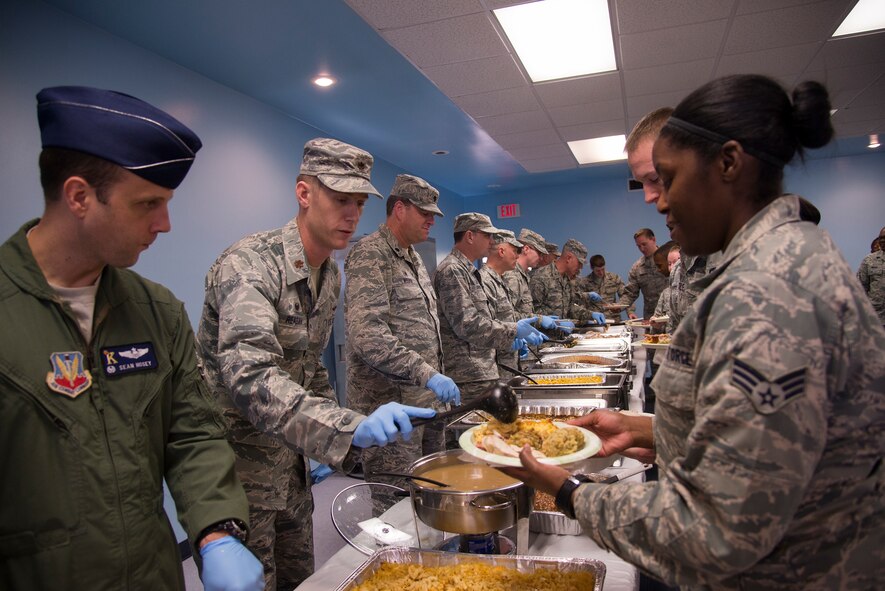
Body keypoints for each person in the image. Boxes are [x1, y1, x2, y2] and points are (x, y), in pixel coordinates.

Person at [505, 74, 885, 590]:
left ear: (728, 163)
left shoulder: (767, 291)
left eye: (669, 178)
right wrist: (653, 432)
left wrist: (569, 490)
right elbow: (773, 449)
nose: (659, 202)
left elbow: (716, 532)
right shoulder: (778, 260)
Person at [0, 85, 263, 590]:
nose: (164, 224)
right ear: (79, 196)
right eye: (147, 204)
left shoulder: (155, 311)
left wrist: (215, 533)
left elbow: (192, 434)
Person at [196, 139, 436, 590]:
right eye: (340, 199)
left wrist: (344, 436)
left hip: (290, 471)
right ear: (304, 193)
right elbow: (251, 378)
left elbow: (310, 367)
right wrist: (344, 427)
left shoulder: (328, 274)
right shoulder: (251, 264)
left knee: (300, 581)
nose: (352, 215)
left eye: (360, 203)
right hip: (239, 476)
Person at [343, 173, 453, 506]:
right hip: (393, 407)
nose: (432, 220)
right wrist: (427, 373)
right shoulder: (370, 254)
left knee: (434, 489)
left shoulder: (413, 257)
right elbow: (368, 335)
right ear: (400, 210)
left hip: (428, 403)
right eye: (425, 212)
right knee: (396, 502)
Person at [434, 213, 548, 407]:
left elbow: (484, 318)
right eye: (487, 235)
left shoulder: (467, 270)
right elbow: (467, 324)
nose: (492, 241)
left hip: (482, 370)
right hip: (468, 374)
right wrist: (512, 331)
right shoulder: (452, 269)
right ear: (470, 236)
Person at [479, 230, 525, 376]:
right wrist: (511, 337)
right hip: (497, 367)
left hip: (508, 364)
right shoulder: (484, 280)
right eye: (514, 251)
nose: (517, 256)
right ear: (501, 251)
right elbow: (485, 325)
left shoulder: (500, 279)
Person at [530, 238, 606, 325]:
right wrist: (556, 323)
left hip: (563, 336)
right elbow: (532, 313)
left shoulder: (566, 279)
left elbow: (570, 308)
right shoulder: (541, 276)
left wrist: (591, 314)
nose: (581, 267)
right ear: (569, 258)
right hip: (544, 337)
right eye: (579, 263)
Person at [619, 228, 669, 320]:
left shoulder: (669, 258)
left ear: (653, 239)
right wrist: (618, 307)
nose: (642, 248)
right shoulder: (637, 267)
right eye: (638, 246)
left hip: (671, 315)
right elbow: (630, 293)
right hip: (652, 318)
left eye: (644, 244)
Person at [502, 228, 547, 317]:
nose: (541, 258)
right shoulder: (512, 276)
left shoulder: (523, 275)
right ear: (526, 249)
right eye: (539, 253)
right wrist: (538, 320)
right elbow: (507, 316)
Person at [577, 254, 629, 320]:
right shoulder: (585, 282)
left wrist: (630, 312)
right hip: (595, 320)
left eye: (603, 269)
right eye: (598, 270)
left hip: (613, 319)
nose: (601, 273)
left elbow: (626, 296)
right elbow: (580, 303)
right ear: (591, 268)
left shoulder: (614, 278)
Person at [857, 226, 885, 326]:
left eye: (884, 238)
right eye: (881, 238)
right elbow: (860, 289)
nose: (882, 240)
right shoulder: (869, 260)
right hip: (876, 318)